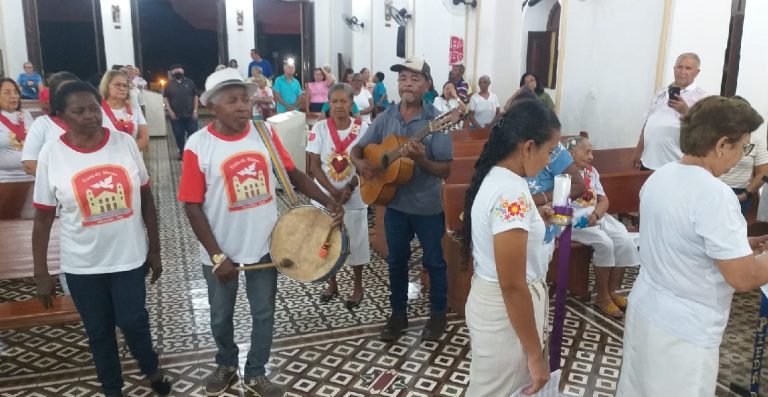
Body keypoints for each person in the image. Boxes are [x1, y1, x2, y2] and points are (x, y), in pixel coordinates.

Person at [177, 68, 343, 397]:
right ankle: (226, 363)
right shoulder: (198, 145)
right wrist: (216, 255)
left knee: (264, 312)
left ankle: (255, 371)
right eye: (232, 100)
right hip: (219, 249)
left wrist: (329, 202)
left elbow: (294, 174)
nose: (243, 105)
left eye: (245, 98)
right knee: (221, 315)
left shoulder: (264, 133)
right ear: (212, 105)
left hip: (266, 244)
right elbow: (192, 206)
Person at [616, 96, 768, 396]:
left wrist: (742, 245)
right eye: (743, 147)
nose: (741, 158)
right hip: (685, 330)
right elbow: (743, 277)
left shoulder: (661, 177)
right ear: (722, 144)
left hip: (647, 310)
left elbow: (681, 238)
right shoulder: (715, 194)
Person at [32, 81, 171, 397]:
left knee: (134, 321)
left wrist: (156, 250)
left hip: (129, 257)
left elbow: (147, 198)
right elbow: (42, 219)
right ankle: (112, 389)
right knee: (98, 332)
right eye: (78, 110)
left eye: (94, 108)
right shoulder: (51, 154)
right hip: (82, 265)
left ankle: (150, 367)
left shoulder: (124, 143)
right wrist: (42, 272)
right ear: (61, 116)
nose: (89, 116)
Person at [461, 99, 560, 396]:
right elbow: (513, 284)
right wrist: (533, 353)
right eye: (549, 151)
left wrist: (534, 220)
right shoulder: (510, 193)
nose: (549, 160)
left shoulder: (500, 177)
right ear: (529, 147)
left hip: (494, 307)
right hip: (507, 319)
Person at [351, 56, 453, 342]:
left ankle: (437, 315)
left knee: (434, 262)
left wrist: (423, 160)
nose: (407, 84)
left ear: (427, 85)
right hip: (394, 204)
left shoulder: (436, 121)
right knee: (396, 261)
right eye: (403, 78)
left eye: (415, 78)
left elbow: (445, 169)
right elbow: (356, 152)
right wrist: (364, 167)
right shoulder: (386, 117)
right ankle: (398, 314)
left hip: (426, 207)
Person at [307, 83, 370, 309]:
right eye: (334, 101)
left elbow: (367, 163)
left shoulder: (363, 129)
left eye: (344, 101)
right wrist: (332, 192)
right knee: (327, 238)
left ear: (351, 104)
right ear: (329, 104)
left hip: (353, 194)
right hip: (324, 195)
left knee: (357, 239)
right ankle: (332, 283)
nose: (339, 106)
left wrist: (349, 188)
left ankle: (358, 286)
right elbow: (313, 165)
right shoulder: (320, 128)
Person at [565, 135, 640, 318]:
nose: (591, 156)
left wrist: (597, 214)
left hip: (597, 216)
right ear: (571, 153)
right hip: (575, 222)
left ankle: (612, 290)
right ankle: (602, 296)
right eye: (587, 151)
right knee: (605, 243)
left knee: (624, 240)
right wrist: (588, 217)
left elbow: (604, 199)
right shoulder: (562, 174)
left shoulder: (592, 172)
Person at [632, 52, 707, 170]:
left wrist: (686, 111)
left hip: (675, 163)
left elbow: (704, 130)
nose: (682, 72)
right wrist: (638, 150)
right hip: (649, 160)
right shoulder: (661, 92)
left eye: (688, 68)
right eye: (679, 67)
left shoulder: (701, 98)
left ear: (697, 72)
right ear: (674, 69)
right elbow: (648, 122)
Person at [21, 71, 80, 176]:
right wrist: (60, 180)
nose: (72, 96)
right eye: (65, 92)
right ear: (54, 96)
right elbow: (29, 164)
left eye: (75, 90)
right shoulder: (42, 124)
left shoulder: (92, 121)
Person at [719, 96, 768, 215]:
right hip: (713, 189)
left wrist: (745, 195)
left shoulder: (756, 140)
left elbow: (764, 173)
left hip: (740, 193)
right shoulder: (715, 136)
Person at [99, 70, 149, 152]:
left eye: (125, 86)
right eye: (117, 85)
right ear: (106, 86)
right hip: (108, 159)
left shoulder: (134, 108)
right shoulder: (97, 110)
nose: (122, 88)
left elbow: (144, 138)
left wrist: (127, 151)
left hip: (132, 157)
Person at [0, 78, 35, 183]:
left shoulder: (26, 114)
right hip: (4, 179)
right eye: (7, 92)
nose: (13, 96)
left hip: (32, 177)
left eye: (16, 92)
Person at [163, 64, 198, 158]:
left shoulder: (190, 82)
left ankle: (192, 153)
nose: (178, 72)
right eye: (175, 71)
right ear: (172, 73)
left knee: (193, 134)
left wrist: (195, 110)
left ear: (183, 71)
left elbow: (195, 96)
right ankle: (182, 153)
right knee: (179, 135)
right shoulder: (168, 84)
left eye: (179, 71)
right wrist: (169, 111)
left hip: (190, 115)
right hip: (176, 116)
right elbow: (165, 98)